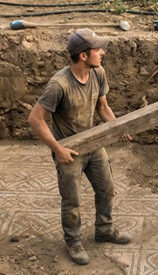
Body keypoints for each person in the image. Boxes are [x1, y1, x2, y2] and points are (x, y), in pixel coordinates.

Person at [28, 28, 133, 265]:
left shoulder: (98, 73)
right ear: (83, 55)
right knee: (72, 201)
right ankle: (73, 240)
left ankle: (104, 230)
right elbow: (35, 119)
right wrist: (58, 149)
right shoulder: (59, 85)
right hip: (70, 151)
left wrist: (118, 127)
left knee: (107, 189)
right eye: (97, 50)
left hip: (94, 143)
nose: (102, 53)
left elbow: (102, 107)